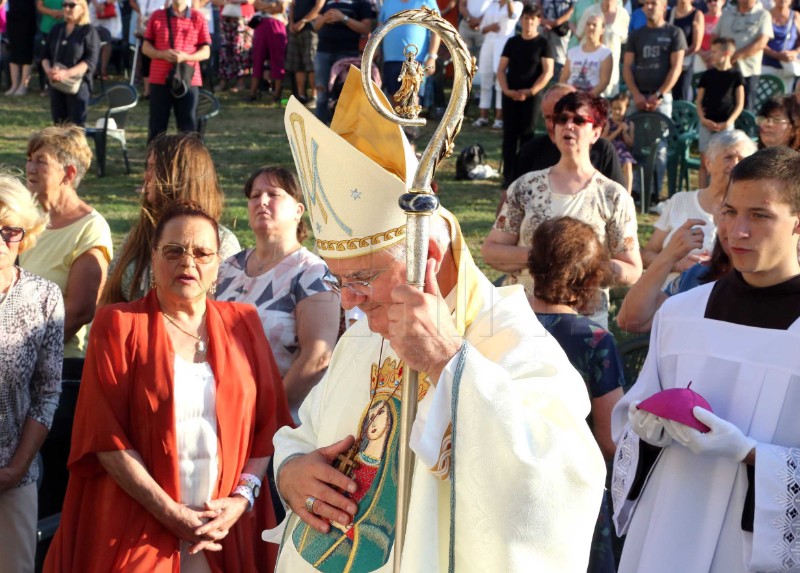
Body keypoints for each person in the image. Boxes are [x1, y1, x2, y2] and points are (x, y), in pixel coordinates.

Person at [268, 67, 606, 573]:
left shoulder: (510, 341)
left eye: (363, 277)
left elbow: (560, 488)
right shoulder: (362, 335)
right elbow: (304, 432)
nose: (348, 303)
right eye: (340, 282)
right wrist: (291, 470)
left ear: (428, 250)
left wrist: (450, 362)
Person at [43, 201, 294, 573]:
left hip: (226, 527)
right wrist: (169, 512)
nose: (187, 263)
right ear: (155, 257)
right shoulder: (118, 325)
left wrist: (241, 499)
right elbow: (105, 438)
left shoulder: (245, 323)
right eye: (174, 251)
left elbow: (268, 424)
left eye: (202, 252)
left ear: (217, 264)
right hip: (136, 524)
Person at [611, 145, 800, 573]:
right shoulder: (681, 313)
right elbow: (630, 419)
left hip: (752, 545)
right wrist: (644, 428)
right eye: (730, 212)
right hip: (668, 523)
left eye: (760, 215)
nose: (737, 231)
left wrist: (751, 453)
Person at [481, 90, 642, 328]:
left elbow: (632, 269)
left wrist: (585, 266)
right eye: (562, 119)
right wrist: (542, 258)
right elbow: (491, 251)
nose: (569, 125)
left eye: (578, 120)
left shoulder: (613, 195)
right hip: (522, 317)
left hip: (582, 322)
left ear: (596, 132)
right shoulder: (526, 187)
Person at [528, 216, 624, 573]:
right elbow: (611, 439)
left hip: (506, 479)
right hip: (572, 489)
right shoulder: (594, 340)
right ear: (589, 279)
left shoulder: (497, 324)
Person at [215, 166, 340, 415]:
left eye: (273, 194)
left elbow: (317, 356)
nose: (262, 201)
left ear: (298, 210)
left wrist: (268, 414)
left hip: (278, 425)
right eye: (254, 195)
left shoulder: (313, 272)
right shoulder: (229, 267)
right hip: (222, 411)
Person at [0, 175, 64, 573]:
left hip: (14, 476)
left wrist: (16, 468)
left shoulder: (44, 297)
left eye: (10, 231)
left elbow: (47, 392)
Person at [104, 133, 241, 304]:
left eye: (153, 168)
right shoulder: (141, 232)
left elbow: (224, 310)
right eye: (148, 167)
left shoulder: (222, 242)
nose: (146, 176)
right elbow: (109, 287)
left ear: (178, 176)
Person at [21, 126, 112, 363]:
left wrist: (22, 351)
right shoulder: (28, 218)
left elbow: (79, 311)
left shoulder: (90, 228)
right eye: (29, 159)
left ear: (68, 174)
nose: (30, 167)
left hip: (55, 363)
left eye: (41, 161)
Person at [640, 129, 755, 284]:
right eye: (728, 157)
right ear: (708, 163)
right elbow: (647, 253)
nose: (735, 164)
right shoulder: (680, 201)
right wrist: (675, 264)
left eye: (741, 159)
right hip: (670, 296)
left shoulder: (752, 212)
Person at [623, 0, 686, 203]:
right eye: (647, 3)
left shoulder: (674, 33)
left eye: (654, 3)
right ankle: (635, 191)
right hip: (638, 97)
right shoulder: (636, 34)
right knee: (635, 144)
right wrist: (636, 94)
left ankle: (653, 193)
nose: (650, 7)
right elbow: (627, 67)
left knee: (659, 146)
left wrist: (658, 95)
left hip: (662, 99)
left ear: (664, 6)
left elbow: (676, 68)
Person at [512, 82, 625, 185]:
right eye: (548, 118)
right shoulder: (530, 151)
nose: (553, 125)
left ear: (595, 133)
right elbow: (508, 199)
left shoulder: (603, 150)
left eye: (578, 120)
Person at [496, 3, 553, 186]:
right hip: (510, 95)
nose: (529, 22)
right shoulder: (512, 42)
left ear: (538, 21)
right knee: (509, 136)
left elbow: (547, 72)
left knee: (527, 136)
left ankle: (525, 176)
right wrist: (506, 90)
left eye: (532, 19)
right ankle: (508, 177)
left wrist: (531, 92)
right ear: (521, 20)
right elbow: (501, 69)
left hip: (531, 97)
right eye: (526, 18)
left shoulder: (543, 43)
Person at [142, 0, 211, 143]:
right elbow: (145, 47)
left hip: (189, 78)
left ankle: (188, 163)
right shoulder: (157, 16)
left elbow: (206, 51)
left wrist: (187, 57)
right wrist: (161, 54)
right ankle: (154, 162)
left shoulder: (197, 17)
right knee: (157, 127)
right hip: (160, 78)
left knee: (188, 127)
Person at [311, 0, 374, 124]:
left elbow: (366, 28)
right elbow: (315, 26)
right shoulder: (326, 2)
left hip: (347, 53)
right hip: (323, 52)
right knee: (321, 92)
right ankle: (320, 128)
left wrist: (343, 18)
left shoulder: (361, 3)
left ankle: (342, 129)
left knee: (344, 94)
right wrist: (324, 18)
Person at [695, 37, 745, 187]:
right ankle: (703, 193)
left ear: (727, 53)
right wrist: (703, 119)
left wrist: (729, 122)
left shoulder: (736, 76)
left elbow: (740, 103)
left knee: (726, 163)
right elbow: (698, 101)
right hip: (707, 124)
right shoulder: (707, 75)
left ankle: (723, 194)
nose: (712, 55)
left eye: (715, 52)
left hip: (726, 126)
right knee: (705, 162)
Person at [42, 0, 100, 126]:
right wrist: (49, 71)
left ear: (82, 9)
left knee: (76, 127)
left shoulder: (88, 31)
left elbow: (90, 61)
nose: (67, 8)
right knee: (59, 125)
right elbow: (45, 55)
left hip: (78, 85)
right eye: (64, 5)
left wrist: (67, 73)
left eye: (72, 5)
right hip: (56, 83)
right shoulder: (57, 29)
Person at [379, 0, 439, 110]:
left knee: (412, 96)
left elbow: (437, 30)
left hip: (417, 60)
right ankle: (400, 126)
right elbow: (380, 29)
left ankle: (411, 125)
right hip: (390, 60)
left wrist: (432, 57)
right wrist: (377, 50)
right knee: (394, 96)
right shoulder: (387, 2)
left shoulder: (427, 1)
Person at [713, 0, 772, 112]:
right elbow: (715, 36)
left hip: (748, 72)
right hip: (724, 70)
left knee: (745, 110)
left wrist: (734, 57)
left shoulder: (763, 15)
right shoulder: (726, 13)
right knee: (722, 108)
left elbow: (762, 42)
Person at [472, 0, 522, 129]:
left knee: (501, 81)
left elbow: (513, 16)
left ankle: (499, 118)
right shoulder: (491, 5)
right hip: (488, 43)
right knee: (485, 80)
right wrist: (490, 27)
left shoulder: (517, 5)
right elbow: (482, 28)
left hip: (504, 45)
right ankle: (483, 116)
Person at [576, 0, 629, 96]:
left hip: (611, 74)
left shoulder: (623, 15)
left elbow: (624, 41)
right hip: (587, 74)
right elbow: (579, 35)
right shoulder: (590, 11)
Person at [561, 14, 613, 96]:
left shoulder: (605, 53)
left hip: (591, 98)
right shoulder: (573, 52)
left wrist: (587, 98)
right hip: (570, 97)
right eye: (588, 24)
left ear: (602, 29)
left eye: (594, 25)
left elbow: (604, 82)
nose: (590, 27)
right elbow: (564, 78)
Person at [249, 0, 288, 102]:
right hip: (261, 24)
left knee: (277, 59)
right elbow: (255, 4)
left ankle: (277, 94)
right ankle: (252, 93)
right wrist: (271, 6)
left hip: (277, 24)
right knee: (257, 59)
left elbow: (281, 8)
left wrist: (265, 7)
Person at [213, 0, 254, 93]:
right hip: (225, 16)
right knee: (224, 50)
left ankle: (241, 81)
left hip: (243, 17)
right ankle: (223, 80)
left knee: (240, 49)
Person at [668, 0, 703, 101]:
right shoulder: (669, 13)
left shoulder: (697, 15)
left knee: (681, 98)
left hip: (685, 65)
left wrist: (678, 57)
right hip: (668, 63)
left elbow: (696, 45)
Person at [762, 0, 800, 93]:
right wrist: (777, 55)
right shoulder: (765, 16)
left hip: (788, 69)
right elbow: (760, 42)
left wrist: (795, 52)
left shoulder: (796, 16)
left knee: (783, 101)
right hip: (768, 66)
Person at [603, 91, 635, 193]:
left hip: (623, 150)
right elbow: (604, 140)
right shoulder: (608, 122)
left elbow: (630, 144)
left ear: (626, 109)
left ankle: (628, 195)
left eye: (620, 109)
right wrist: (617, 130)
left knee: (628, 165)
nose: (616, 111)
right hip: (610, 149)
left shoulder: (630, 124)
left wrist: (625, 132)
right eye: (614, 109)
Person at [5, 0, 38, 95]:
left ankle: (23, 85)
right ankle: (14, 85)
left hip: (27, 17)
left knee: (26, 51)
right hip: (12, 15)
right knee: (13, 50)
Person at [35, 0, 64, 96]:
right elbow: (39, 6)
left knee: (60, 57)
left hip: (64, 27)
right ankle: (45, 86)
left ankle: (61, 86)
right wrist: (52, 13)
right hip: (46, 27)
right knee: (45, 57)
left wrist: (63, 12)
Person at [541, 0, 576, 78]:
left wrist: (555, 23)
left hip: (560, 29)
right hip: (543, 27)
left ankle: (557, 82)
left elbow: (573, 8)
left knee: (558, 58)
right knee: (540, 56)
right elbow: (539, 3)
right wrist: (543, 20)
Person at [696, 0, 724, 74]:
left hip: (718, 59)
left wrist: (712, 54)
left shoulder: (726, 19)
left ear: (723, 2)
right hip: (699, 57)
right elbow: (694, 38)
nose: (712, 3)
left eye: (715, 0)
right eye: (709, 1)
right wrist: (701, 53)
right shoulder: (700, 18)